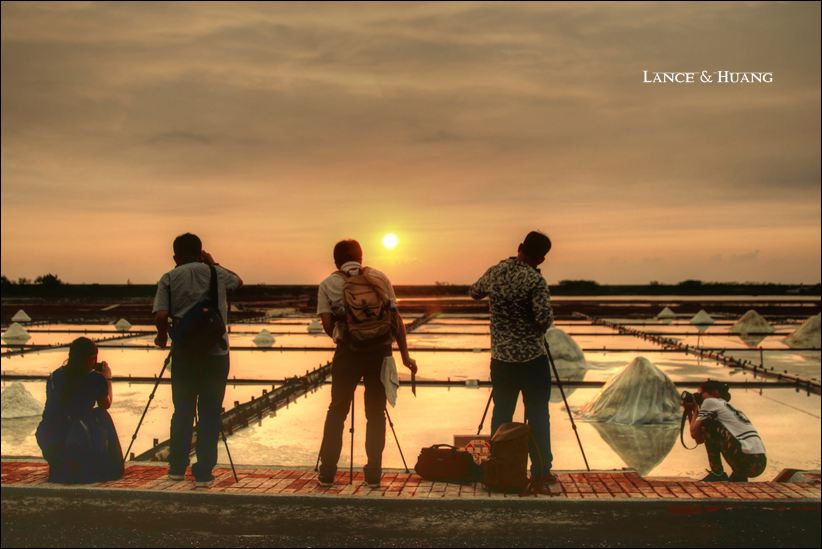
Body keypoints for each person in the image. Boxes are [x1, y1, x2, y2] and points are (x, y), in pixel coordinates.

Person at [316, 239, 417, 488]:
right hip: (380, 353)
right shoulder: (379, 278)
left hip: (348, 354)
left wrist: (345, 336)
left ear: (336, 261)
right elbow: (396, 320)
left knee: (337, 411)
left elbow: (328, 325)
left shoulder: (328, 284)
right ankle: (373, 473)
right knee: (375, 413)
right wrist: (404, 356)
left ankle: (327, 472)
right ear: (361, 257)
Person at [153, 232, 242, 487]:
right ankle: (204, 472)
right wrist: (213, 263)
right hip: (216, 353)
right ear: (201, 252)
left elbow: (160, 316)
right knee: (210, 413)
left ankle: (177, 468)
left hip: (185, 354)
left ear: (175, 256)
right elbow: (239, 282)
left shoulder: (169, 277)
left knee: (182, 410)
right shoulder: (215, 273)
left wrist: (162, 337)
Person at [469, 230, 556, 489]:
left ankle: (498, 467)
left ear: (519, 246)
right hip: (532, 360)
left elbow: (474, 292)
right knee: (538, 414)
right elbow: (544, 320)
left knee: (502, 413)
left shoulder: (497, 272)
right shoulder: (535, 281)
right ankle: (541, 471)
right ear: (541, 259)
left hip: (502, 360)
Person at [35, 337, 123, 483]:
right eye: (94, 359)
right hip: (77, 440)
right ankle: (110, 465)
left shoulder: (54, 376)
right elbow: (105, 404)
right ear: (90, 359)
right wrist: (107, 379)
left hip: (49, 438)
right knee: (101, 414)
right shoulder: (95, 379)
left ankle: (62, 466)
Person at [683, 380, 767, 482]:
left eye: (701, 394)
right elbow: (699, 440)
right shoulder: (727, 407)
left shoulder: (710, 401)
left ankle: (717, 473)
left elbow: (694, 433)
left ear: (714, 393)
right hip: (759, 461)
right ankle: (739, 477)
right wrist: (691, 411)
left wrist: (694, 409)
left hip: (747, 460)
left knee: (709, 426)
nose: (699, 397)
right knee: (713, 425)